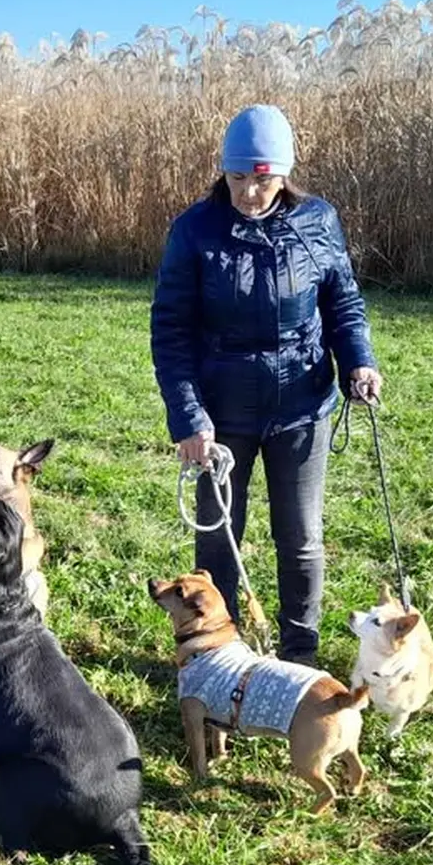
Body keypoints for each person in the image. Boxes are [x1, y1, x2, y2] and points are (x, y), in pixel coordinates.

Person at [150, 104, 383, 666]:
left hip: (302, 408)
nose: (251, 193)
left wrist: (358, 361)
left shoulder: (317, 223)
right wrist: (188, 418)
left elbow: (343, 303)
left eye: (263, 180)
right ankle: (219, 655)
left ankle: (298, 655)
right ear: (222, 172)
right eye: (238, 179)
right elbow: (171, 330)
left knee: (301, 537)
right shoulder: (194, 230)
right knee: (217, 535)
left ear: (284, 174)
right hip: (221, 415)